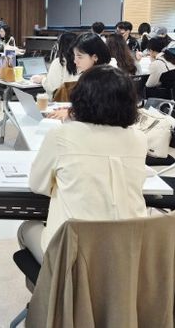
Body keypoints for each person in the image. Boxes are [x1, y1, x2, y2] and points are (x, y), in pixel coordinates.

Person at [17, 65, 148, 263]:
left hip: (72, 255)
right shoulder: (139, 139)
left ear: (80, 98)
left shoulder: (61, 135)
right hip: (128, 254)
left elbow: (37, 186)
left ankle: (51, 282)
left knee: (27, 228)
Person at [47, 33, 112, 119]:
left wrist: (71, 113)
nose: (75, 61)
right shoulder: (91, 76)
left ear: (95, 57)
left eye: (80, 57)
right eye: (74, 56)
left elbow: (101, 112)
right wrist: (72, 110)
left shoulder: (106, 79)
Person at [31, 32, 78, 99]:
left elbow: (52, 88)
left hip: (58, 102)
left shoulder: (58, 62)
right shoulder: (81, 62)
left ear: (60, 46)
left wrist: (42, 80)